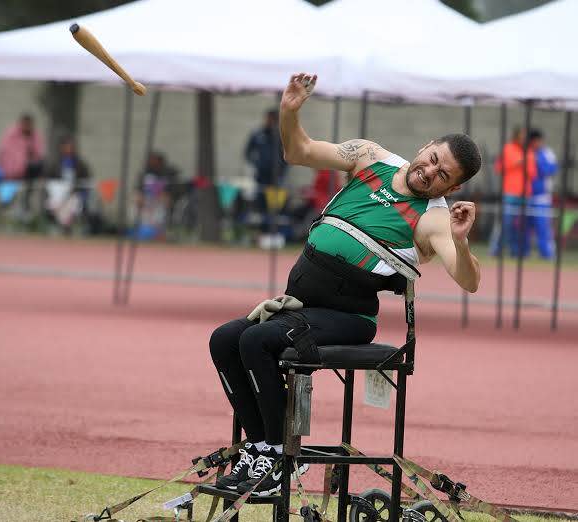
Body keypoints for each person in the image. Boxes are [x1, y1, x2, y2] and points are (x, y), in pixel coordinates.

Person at [209, 73, 481, 496]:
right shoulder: (370, 157)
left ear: (454, 186)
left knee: (256, 341)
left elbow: (468, 281)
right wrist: (289, 112)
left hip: (348, 317)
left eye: (442, 174)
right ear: (425, 145)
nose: (429, 172)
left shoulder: (433, 218)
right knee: (224, 339)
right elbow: (298, 151)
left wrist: (461, 243)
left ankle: (282, 458)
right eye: (431, 158)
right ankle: (260, 446)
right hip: (303, 305)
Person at [490, 127, 537, 257]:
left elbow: (533, 173)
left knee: (521, 225)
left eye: (525, 135)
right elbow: (499, 168)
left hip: (525, 194)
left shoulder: (530, 152)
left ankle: (516, 252)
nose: (524, 137)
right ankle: (496, 250)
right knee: (506, 223)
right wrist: (516, 163)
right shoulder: (508, 148)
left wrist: (526, 165)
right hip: (510, 193)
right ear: (516, 135)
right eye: (522, 134)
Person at [244, 108, 288, 236]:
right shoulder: (257, 134)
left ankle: (274, 232)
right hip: (261, 176)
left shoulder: (281, 136)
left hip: (276, 177)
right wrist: (256, 164)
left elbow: (288, 155)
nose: (270, 121)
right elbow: (247, 152)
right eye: (268, 118)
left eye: (273, 119)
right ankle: (262, 232)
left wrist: (282, 170)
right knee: (261, 203)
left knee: (276, 206)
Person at [0, 113, 45, 218]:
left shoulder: (34, 136)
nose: (27, 127)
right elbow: (3, 152)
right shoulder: (11, 135)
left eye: (29, 125)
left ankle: (25, 203)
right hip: (9, 172)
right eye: (25, 124)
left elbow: (39, 155)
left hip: (26, 173)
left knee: (38, 165)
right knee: (6, 195)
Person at [44, 136, 94, 233]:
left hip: (74, 195)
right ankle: (59, 226)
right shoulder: (56, 163)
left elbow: (86, 181)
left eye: (70, 146)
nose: (68, 149)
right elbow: (48, 180)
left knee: (74, 205)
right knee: (53, 204)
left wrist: (79, 193)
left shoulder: (80, 164)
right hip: (58, 195)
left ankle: (69, 227)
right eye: (66, 146)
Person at [526, 129, 558, 259]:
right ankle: (524, 252)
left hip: (542, 197)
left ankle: (546, 254)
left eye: (537, 141)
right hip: (526, 195)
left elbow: (552, 170)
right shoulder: (526, 152)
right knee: (525, 226)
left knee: (542, 226)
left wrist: (538, 161)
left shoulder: (547, 153)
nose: (535, 143)